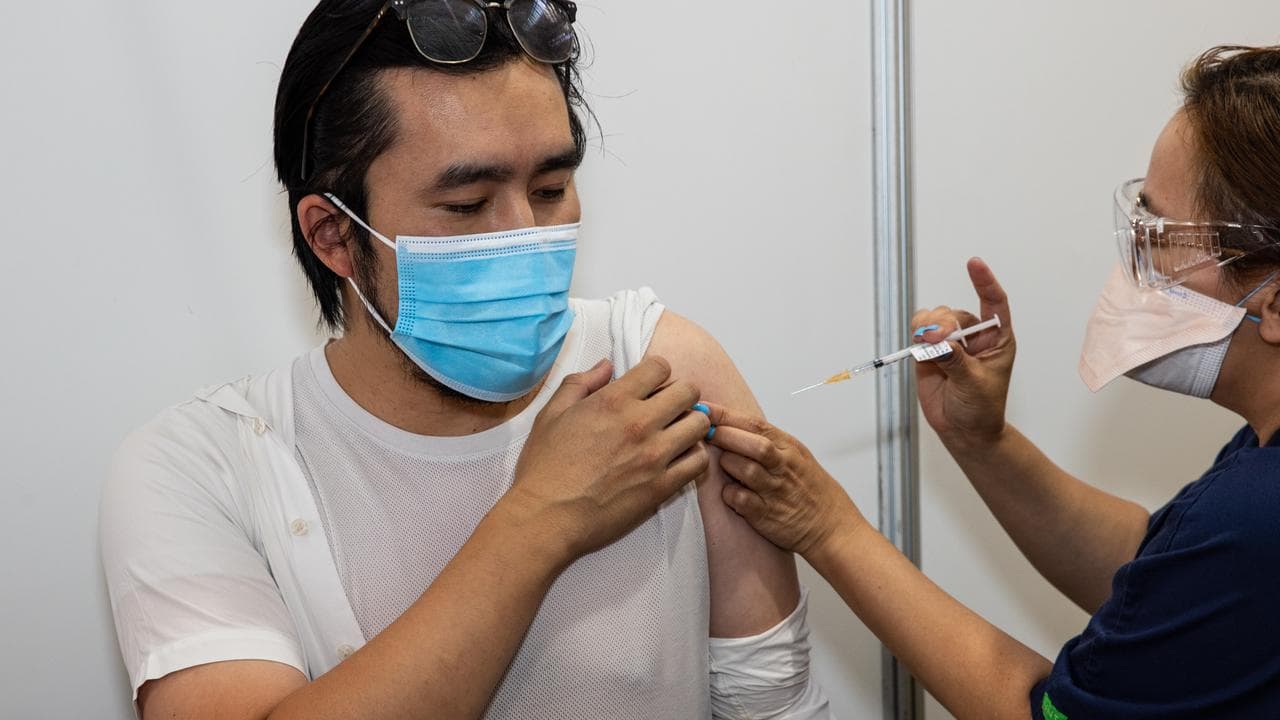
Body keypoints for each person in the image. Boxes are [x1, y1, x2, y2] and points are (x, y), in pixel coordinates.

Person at [99, 1, 831, 718]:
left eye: (549, 190)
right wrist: (541, 518)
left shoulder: (658, 371)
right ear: (332, 234)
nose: (523, 234)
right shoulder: (203, 467)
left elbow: (774, 705)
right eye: (467, 205)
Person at [702, 45, 1280, 720]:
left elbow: (1032, 712)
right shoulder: (1251, 491)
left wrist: (828, 527)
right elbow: (1162, 578)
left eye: (1160, 237)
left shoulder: (1258, 515)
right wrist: (982, 439)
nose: (1135, 262)